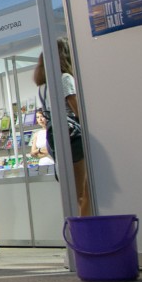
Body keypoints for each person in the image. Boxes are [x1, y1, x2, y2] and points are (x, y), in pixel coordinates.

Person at [35, 37, 91, 216]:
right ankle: (83, 230)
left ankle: (75, 227)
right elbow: (77, 110)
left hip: (55, 139)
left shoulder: (42, 87)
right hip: (73, 139)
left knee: (71, 192)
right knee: (83, 193)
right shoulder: (65, 78)